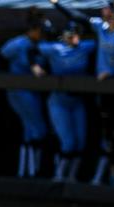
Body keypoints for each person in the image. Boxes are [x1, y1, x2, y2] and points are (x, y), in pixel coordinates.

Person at [50, 0, 114, 186]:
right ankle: (104, 177)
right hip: (103, 92)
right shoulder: (102, 28)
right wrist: (57, 3)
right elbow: (78, 17)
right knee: (105, 134)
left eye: (107, 7)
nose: (103, 10)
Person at [35, 22, 95, 182]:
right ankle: (59, 176)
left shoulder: (85, 47)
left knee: (80, 142)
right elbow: (33, 49)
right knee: (68, 142)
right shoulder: (54, 48)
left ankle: (72, 177)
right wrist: (36, 65)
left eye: (76, 34)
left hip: (77, 101)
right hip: (59, 100)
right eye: (70, 34)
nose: (73, 37)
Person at [0, 9, 49, 178]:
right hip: (18, 91)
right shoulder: (18, 43)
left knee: (30, 131)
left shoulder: (42, 45)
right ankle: (33, 171)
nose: (41, 34)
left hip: (33, 91)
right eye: (39, 30)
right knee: (38, 130)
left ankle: (27, 171)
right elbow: (0, 57)